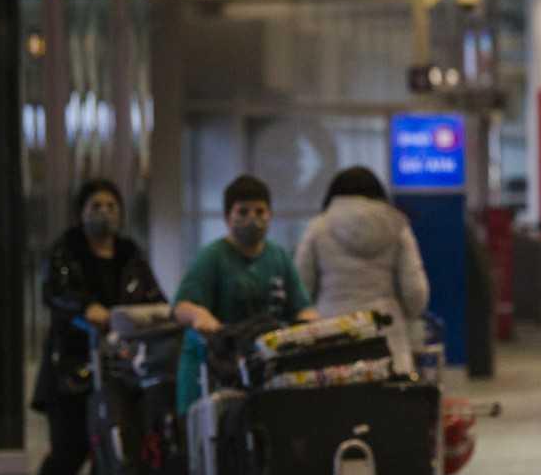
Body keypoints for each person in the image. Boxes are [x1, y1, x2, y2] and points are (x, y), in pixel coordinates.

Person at [22, 179, 166, 475]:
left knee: (114, 451)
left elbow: (152, 297)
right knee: (71, 450)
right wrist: (88, 311)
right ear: (81, 212)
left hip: (119, 368)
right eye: (95, 206)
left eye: (111, 206)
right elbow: (56, 293)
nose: (104, 213)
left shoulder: (130, 256)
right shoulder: (64, 254)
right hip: (72, 370)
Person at [173, 174, 319, 415]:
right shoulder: (212, 257)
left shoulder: (278, 257)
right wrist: (200, 316)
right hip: (211, 372)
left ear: (270, 215)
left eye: (260, 212)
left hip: (261, 367)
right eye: (243, 212)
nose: (253, 219)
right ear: (227, 216)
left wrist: (312, 326)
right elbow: (181, 306)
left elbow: (303, 307)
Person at [294, 166, 431, 376]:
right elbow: (416, 292)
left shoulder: (317, 227)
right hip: (387, 337)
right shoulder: (398, 227)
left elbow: (301, 288)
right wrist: (407, 316)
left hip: (330, 335)